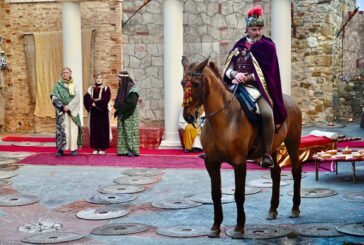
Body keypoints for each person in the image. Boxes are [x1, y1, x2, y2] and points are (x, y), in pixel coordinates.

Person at [223, 5, 287, 168]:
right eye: (253, 29)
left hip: (258, 89)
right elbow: (228, 68)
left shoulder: (268, 46)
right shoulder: (239, 46)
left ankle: (266, 154)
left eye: (259, 29)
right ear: (247, 29)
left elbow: (269, 72)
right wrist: (235, 75)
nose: (257, 32)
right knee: (217, 109)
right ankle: (215, 148)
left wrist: (249, 77)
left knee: (266, 114)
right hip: (237, 86)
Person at [50, 67, 83, 157]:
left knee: (73, 130)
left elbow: (77, 98)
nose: (65, 74)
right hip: (62, 111)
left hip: (72, 111)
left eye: (67, 72)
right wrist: (62, 106)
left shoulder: (75, 84)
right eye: (63, 72)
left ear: (70, 73)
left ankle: (73, 149)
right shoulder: (58, 85)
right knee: (62, 130)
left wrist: (69, 107)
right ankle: (61, 149)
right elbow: (54, 97)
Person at [84, 73, 111, 154]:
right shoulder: (90, 89)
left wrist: (96, 104)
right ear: (95, 79)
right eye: (97, 78)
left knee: (102, 130)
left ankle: (103, 148)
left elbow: (106, 99)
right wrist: (92, 104)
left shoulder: (106, 88)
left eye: (100, 78)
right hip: (94, 112)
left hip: (102, 112)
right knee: (94, 129)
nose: (98, 79)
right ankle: (95, 148)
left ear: (102, 79)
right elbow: (86, 98)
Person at [114, 71, 140, 157]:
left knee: (130, 132)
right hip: (122, 113)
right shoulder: (121, 88)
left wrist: (120, 109)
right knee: (122, 132)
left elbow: (131, 103)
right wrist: (117, 107)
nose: (119, 80)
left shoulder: (133, 89)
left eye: (120, 79)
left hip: (130, 114)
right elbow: (118, 100)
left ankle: (132, 150)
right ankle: (123, 150)